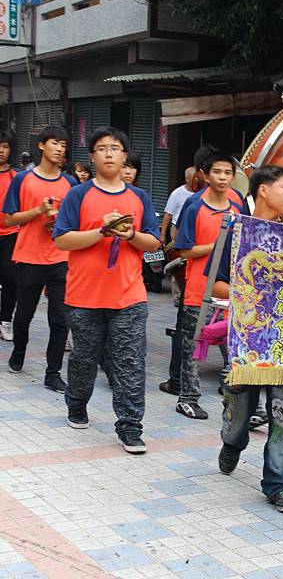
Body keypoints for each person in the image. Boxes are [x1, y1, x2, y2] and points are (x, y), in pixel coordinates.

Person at [53, 126, 160, 454]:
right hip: (84, 296)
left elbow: (154, 243)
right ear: (93, 156)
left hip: (129, 296)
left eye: (115, 148)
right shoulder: (78, 194)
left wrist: (129, 235)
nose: (110, 153)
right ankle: (76, 404)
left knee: (130, 362)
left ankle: (130, 426)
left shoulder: (139, 198)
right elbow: (61, 238)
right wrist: (101, 231)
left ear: (125, 156)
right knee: (84, 358)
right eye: (102, 148)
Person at [208, 165, 283, 513]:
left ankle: (280, 484)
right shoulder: (236, 232)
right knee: (238, 410)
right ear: (263, 190)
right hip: (247, 341)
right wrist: (252, 295)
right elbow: (216, 284)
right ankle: (232, 442)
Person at [159, 144, 245, 397]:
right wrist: (216, 245)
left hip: (230, 289)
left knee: (233, 343)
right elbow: (184, 250)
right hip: (199, 289)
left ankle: (234, 392)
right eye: (216, 172)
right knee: (192, 344)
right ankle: (187, 396)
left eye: (227, 172)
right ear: (205, 175)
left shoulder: (238, 202)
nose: (222, 177)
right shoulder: (194, 205)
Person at [3, 126, 77, 392]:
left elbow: (76, 222)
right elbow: (10, 218)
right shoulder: (23, 179)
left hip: (61, 259)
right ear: (42, 146)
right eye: (55, 143)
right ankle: (19, 352)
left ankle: (53, 372)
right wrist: (38, 211)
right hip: (29, 258)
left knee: (60, 319)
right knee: (23, 315)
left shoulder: (71, 183)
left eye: (64, 145)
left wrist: (59, 222)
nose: (60, 149)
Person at [0, 131, 19, 341]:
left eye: (5, 146)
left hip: (11, 234)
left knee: (10, 278)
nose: (1, 150)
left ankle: (5, 320)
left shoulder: (17, 177)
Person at [160, 166, 195, 246]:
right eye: (193, 178)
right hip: (178, 229)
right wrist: (162, 235)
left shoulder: (201, 192)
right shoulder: (177, 193)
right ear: (187, 179)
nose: (196, 181)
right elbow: (168, 214)